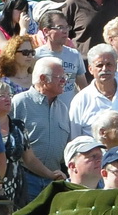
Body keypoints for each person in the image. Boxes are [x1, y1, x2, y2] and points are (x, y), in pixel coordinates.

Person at [10, 57, 73, 199]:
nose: (65, 81)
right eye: (60, 77)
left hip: (55, 179)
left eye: (65, 76)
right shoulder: (20, 102)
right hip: (26, 179)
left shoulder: (62, 108)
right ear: (43, 78)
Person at [67, 44, 118, 136]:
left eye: (109, 64)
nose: (104, 69)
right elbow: (75, 138)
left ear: (116, 67)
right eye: (99, 65)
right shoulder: (81, 100)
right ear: (90, 69)